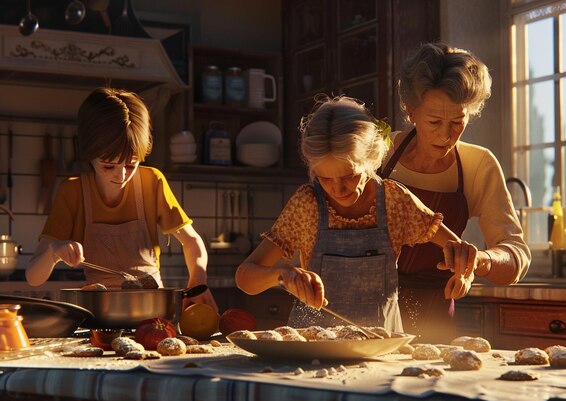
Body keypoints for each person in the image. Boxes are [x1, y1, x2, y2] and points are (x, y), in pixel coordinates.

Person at [235, 95, 485, 332]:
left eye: (349, 176)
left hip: (379, 348)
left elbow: (458, 248)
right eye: (324, 178)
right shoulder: (307, 203)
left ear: (371, 158)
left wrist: (464, 271)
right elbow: (245, 277)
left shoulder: (393, 200)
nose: (337, 188)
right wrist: (283, 275)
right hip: (312, 349)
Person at [380, 41, 531, 342]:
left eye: (458, 122)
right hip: (367, 312)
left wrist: (481, 260)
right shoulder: (378, 154)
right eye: (434, 121)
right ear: (410, 111)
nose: (446, 134)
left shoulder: (478, 165)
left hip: (433, 324)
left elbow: (516, 255)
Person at [26, 87, 218, 312]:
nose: (121, 176)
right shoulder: (72, 191)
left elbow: (191, 241)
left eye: (131, 164)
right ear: (90, 154)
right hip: (100, 317)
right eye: (108, 166)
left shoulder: (152, 182)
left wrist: (198, 278)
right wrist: (53, 252)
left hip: (153, 313)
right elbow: (33, 278)